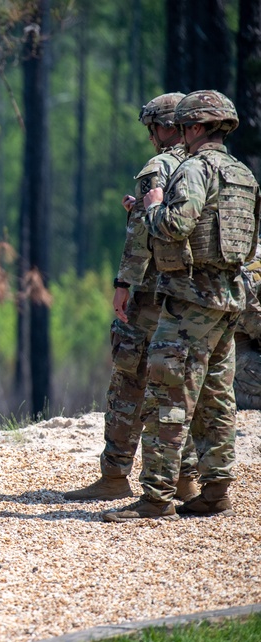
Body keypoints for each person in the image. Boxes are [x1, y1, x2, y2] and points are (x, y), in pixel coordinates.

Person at [104, 90, 260, 522]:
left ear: (193, 128)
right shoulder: (242, 173)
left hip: (190, 300)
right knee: (216, 398)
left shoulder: (194, 170)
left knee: (168, 394)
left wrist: (151, 210)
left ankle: (155, 499)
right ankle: (216, 491)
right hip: (229, 300)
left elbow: (175, 226)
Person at [64, 92, 200, 502]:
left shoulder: (156, 167)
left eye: (151, 129)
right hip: (193, 295)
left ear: (162, 128)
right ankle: (186, 478)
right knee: (181, 384)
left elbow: (141, 237)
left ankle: (114, 475)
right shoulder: (203, 167)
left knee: (128, 379)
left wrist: (123, 284)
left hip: (152, 294)